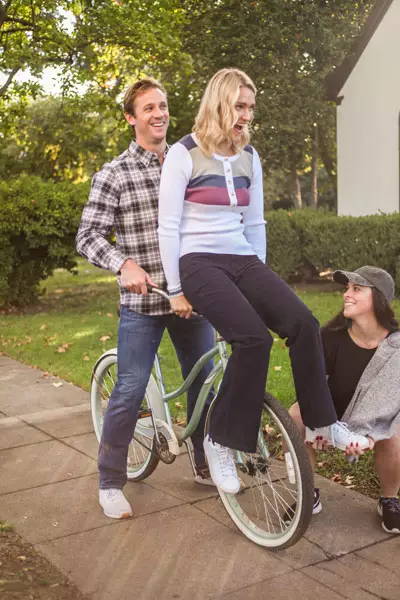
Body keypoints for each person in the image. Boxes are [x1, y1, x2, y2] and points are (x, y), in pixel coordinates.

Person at [157, 67, 369, 495]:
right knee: (253, 340)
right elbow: (168, 227)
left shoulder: (249, 157)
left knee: (304, 323)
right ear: (219, 103)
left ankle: (322, 424)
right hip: (198, 262)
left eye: (250, 107)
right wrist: (176, 288)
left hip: (243, 259)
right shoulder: (183, 153)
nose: (246, 115)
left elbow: (255, 224)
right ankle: (220, 440)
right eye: (239, 106)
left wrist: (261, 281)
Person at [76, 78, 215, 520]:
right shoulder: (114, 173)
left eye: (164, 106)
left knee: (204, 381)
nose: (159, 114)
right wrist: (124, 265)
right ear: (131, 117)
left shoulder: (189, 162)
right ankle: (111, 481)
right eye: (149, 107)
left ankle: (203, 460)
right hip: (144, 302)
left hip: (190, 298)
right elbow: (88, 235)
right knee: (131, 387)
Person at [289, 266, 400, 534]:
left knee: (397, 431)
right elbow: (313, 389)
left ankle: (389, 499)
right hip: (332, 412)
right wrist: (320, 426)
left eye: (356, 289)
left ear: (378, 299)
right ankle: (307, 494)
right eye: (347, 289)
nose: (346, 295)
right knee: (295, 414)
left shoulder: (396, 346)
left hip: (379, 417)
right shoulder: (329, 337)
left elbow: (395, 403)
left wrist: (370, 434)